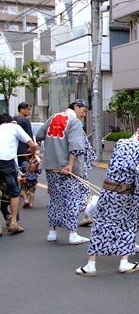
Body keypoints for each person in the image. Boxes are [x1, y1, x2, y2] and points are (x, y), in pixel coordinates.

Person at [75, 120, 139, 276]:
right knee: (127, 225)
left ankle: (90, 265)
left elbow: (118, 165)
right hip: (126, 194)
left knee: (100, 224)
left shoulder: (121, 142)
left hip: (107, 190)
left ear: (138, 130)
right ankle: (124, 262)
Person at [35, 99, 90, 245]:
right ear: (76, 107)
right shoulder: (74, 122)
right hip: (66, 168)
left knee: (55, 199)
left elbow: (39, 136)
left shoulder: (53, 117)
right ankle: (72, 234)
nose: (84, 115)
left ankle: (52, 232)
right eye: (83, 111)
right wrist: (70, 165)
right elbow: (76, 146)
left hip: (51, 165)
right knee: (71, 199)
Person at [0, 114, 38, 234]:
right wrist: (33, 154)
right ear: (11, 121)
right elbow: (32, 144)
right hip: (8, 163)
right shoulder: (14, 127)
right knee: (14, 192)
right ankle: (14, 222)